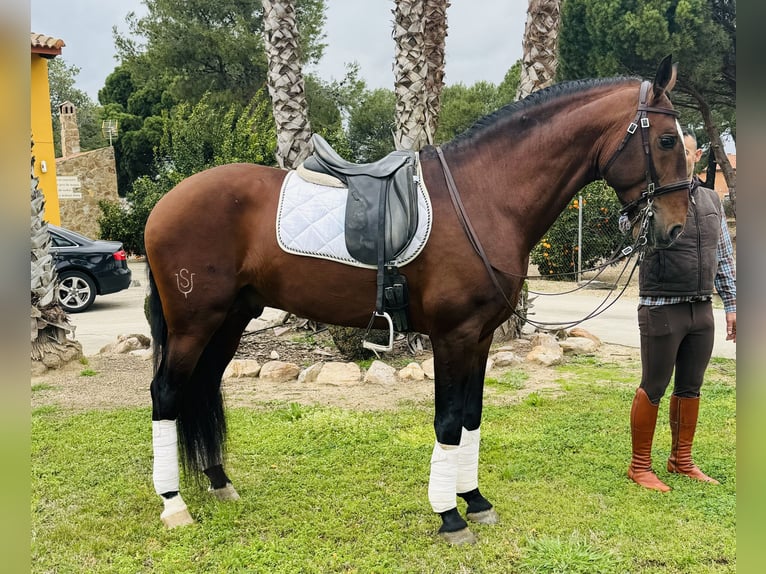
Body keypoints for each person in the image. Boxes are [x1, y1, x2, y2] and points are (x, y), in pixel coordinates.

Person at [627, 128, 736, 492]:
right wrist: (644, 209)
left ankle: (681, 459)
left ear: (697, 155)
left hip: (701, 308)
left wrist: (732, 305)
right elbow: (627, 227)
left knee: (691, 387)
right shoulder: (650, 196)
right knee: (654, 386)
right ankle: (640, 465)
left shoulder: (711, 200)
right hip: (661, 305)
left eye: (686, 152)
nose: (681, 159)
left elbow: (723, 256)